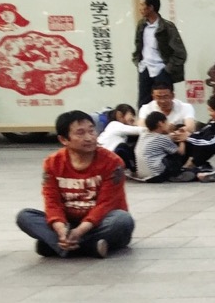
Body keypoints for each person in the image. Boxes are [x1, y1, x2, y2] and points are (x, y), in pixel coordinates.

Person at [15, 110, 135, 258]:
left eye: (92, 131)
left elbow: (106, 203)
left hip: (100, 223)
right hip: (69, 223)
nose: (89, 138)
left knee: (122, 219)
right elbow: (52, 201)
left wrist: (80, 231)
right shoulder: (52, 163)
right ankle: (89, 247)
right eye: (80, 133)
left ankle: (58, 246)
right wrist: (61, 228)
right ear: (64, 139)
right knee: (25, 216)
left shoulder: (112, 162)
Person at [131, 0, 187, 108]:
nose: (140, 8)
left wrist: (167, 69)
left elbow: (180, 53)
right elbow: (138, 45)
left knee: (164, 103)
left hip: (161, 69)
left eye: (142, 5)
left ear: (151, 7)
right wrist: (138, 61)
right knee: (143, 104)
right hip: (145, 68)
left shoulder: (167, 26)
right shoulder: (141, 25)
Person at [133, 111, 187, 183]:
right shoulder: (162, 138)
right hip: (156, 175)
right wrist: (182, 139)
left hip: (142, 175)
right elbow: (181, 152)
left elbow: (157, 141)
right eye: (166, 122)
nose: (169, 124)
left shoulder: (143, 135)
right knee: (175, 155)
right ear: (160, 123)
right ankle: (178, 174)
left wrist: (169, 136)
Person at [97, 103, 140, 170]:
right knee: (123, 147)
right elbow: (140, 131)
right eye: (131, 114)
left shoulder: (118, 128)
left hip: (106, 158)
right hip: (103, 158)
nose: (133, 118)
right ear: (119, 115)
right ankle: (134, 170)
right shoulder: (115, 125)